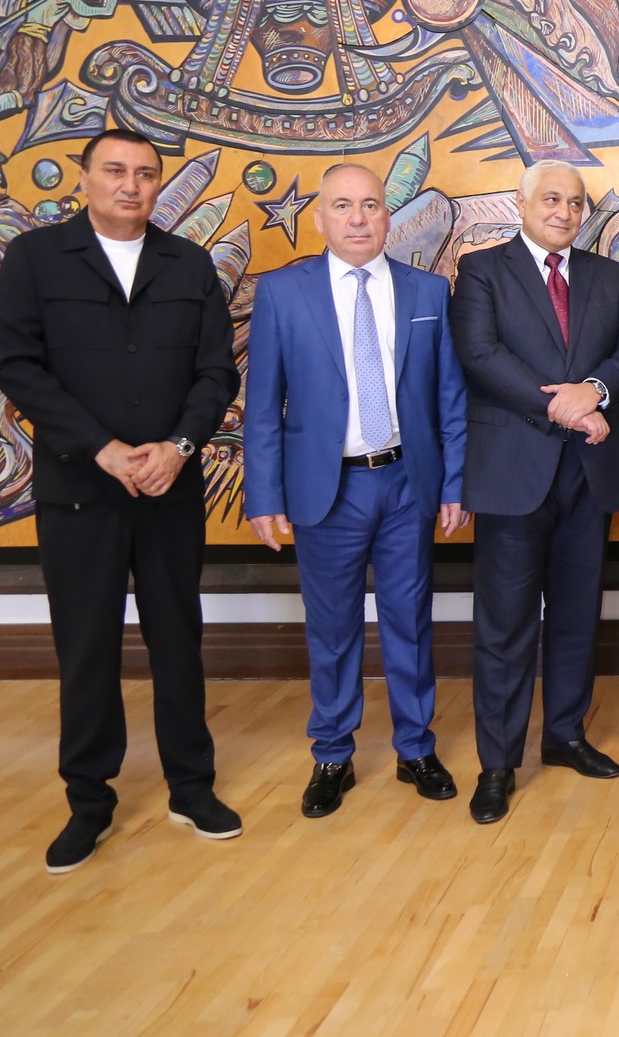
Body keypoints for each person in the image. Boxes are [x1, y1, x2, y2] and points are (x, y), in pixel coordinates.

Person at [0, 128, 241, 873]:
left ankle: (191, 787)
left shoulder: (188, 264)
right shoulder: (35, 259)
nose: (131, 185)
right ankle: (88, 803)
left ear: (158, 184)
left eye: (146, 173)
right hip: (79, 488)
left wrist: (179, 447)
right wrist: (100, 447)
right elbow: (17, 366)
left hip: (170, 486)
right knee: (86, 647)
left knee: (178, 642)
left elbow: (216, 372)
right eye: (115, 171)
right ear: (84, 178)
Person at [242, 163, 469, 818]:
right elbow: (263, 406)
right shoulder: (283, 292)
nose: (359, 217)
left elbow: (450, 398)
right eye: (343, 205)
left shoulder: (428, 290)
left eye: (370, 204)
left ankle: (415, 747)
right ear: (320, 218)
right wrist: (264, 495)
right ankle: (333, 754)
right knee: (333, 627)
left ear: (387, 216)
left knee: (409, 619)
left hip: (407, 481)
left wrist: (454, 481)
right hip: (327, 487)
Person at [450, 161, 619, 824]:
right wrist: (565, 409)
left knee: (575, 614)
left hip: (589, 472)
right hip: (514, 471)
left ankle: (565, 735)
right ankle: (498, 763)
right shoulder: (482, 270)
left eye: (574, 202)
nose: (564, 211)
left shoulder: (608, 275)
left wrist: (593, 391)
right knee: (505, 624)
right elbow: (481, 356)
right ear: (522, 202)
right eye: (551, 199)